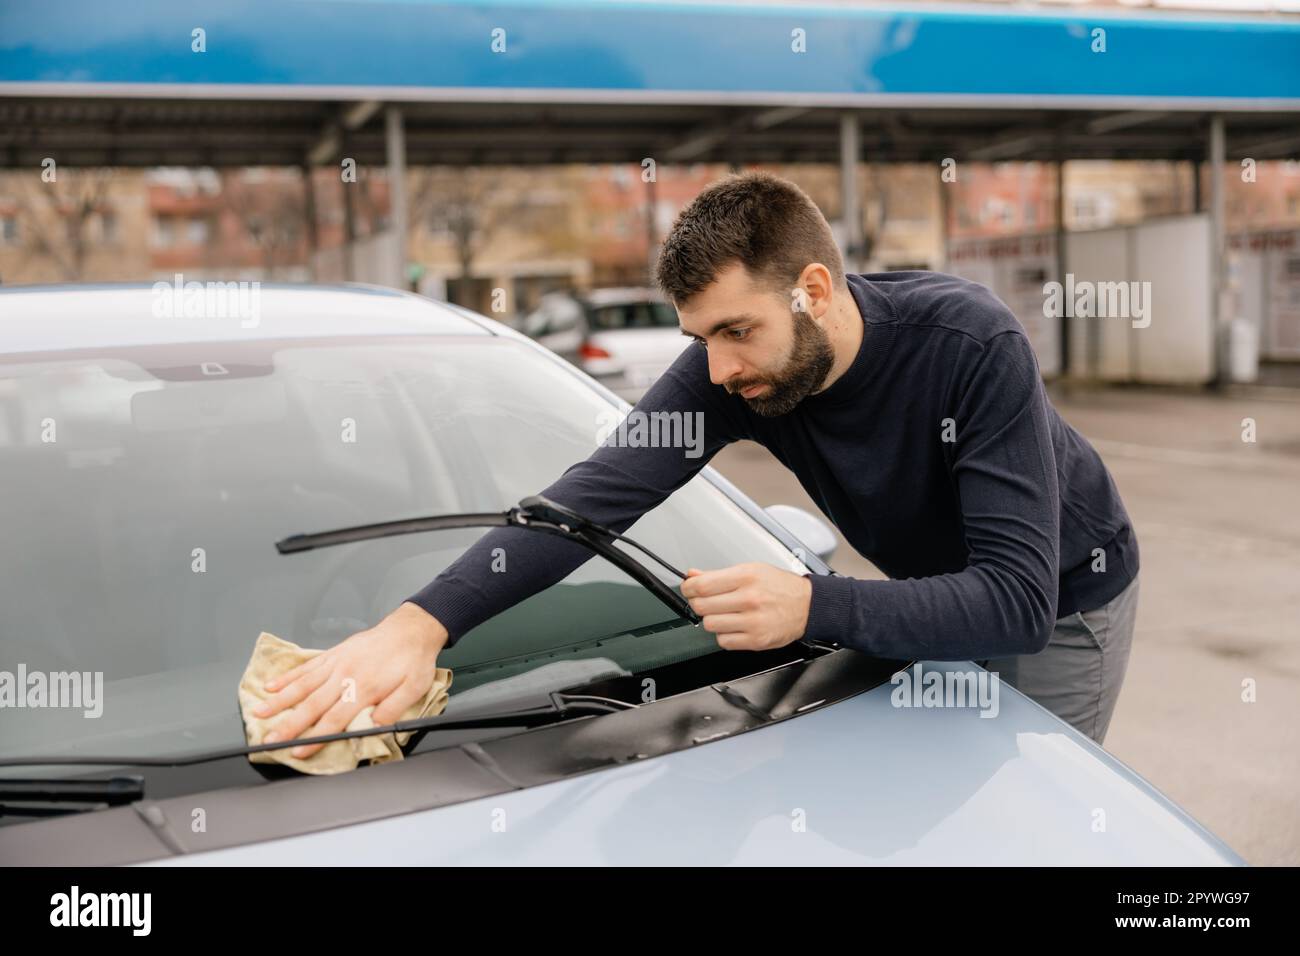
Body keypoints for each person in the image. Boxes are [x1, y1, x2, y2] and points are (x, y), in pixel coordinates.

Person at [256, 170, 1139, 755]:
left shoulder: (970, 344)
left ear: (814, 292)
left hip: (1064, 599)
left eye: (736, 330)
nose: (717, 368)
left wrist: (812, 604)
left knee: (1026, 826)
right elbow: (587, 504)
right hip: (932, 590)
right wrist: (420, 625)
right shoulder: (730, 373)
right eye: (699, 337)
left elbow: (1017, 604)